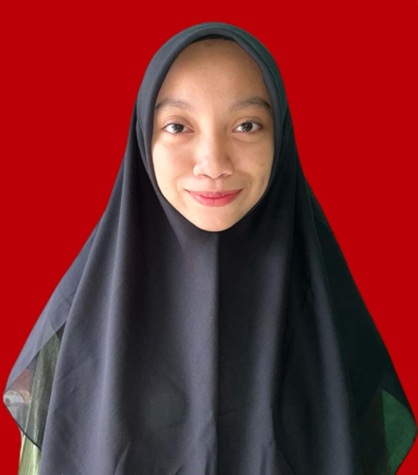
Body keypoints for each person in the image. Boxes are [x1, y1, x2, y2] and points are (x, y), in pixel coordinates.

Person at [3, 22, 416, 474]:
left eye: (247, 125)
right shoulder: (76, 329)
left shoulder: (331, 317)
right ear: (144, 140)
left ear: (280, 138)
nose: (214, 163)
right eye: (178, 126)